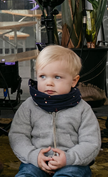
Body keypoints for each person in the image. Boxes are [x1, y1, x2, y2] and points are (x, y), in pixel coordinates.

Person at [9, 46, 100, 177]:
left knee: (71, 174)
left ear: (74, 81)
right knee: (27, 174)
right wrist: (34, 156)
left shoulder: (83, 109)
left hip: (72, 163)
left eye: (57, 77)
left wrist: (68, 158)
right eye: (43, 76)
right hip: (36, 162)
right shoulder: (28, 106)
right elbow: (18, 136)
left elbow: (91, 142)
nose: (49, 83)